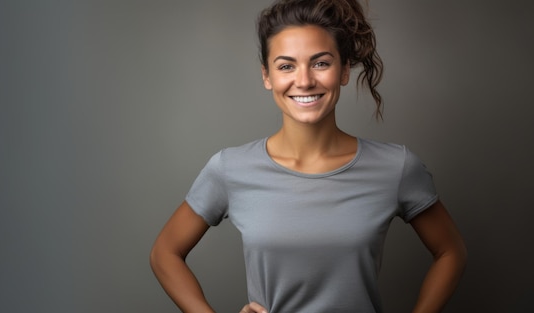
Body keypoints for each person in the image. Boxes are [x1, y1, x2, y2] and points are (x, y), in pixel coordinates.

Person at [150, 0, 467, 312]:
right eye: (286, 66)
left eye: (320, 63)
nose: (304, 81)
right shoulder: (230, 169)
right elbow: (165, 252)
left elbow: (451, 252)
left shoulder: (395, 167)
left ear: (343, 71)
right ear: (267, 76)